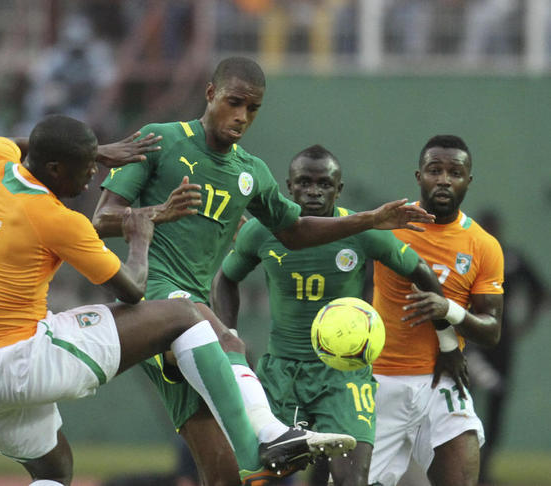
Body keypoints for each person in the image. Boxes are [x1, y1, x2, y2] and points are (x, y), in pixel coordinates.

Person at [92, 56, 436, 485]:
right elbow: (102, 220)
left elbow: (293, 230)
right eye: (234, 102)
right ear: (210, 93)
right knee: (228, 341)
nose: (242, 117)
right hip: (155, 293)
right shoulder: (159, 140)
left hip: (192, 308)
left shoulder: (250, 172)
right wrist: (159, 213)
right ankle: (274, 433)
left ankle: (261, 439)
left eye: (252, 109)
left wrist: (367, 220)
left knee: (222, 469)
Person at [0, 114, 315, 486]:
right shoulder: (55, 218)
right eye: (86, 166)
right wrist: (141, 234)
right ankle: (253, 454)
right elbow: (133, 290)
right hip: (20, 360)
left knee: (54, 470)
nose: (94, 174)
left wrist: (97, 151)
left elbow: (11, 141)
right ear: (55, 168)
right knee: (184, 316)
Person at [211, 144, 447, 486]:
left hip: (344, 376)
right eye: (304, 182)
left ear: (339, 189)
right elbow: (225, 279)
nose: (313, 190)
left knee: (351, 479)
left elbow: (420, 271)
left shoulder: (362, 232)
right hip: (282, 375)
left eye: (324, 184)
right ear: (288, 187)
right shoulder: (262, 231)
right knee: (264, 478)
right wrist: (228, 332)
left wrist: (447, 341)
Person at [368, 135, 504, 486]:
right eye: (435, 170)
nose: (444, 179)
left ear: (468, 180)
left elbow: (491, 330)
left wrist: (450, 310)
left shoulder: (484, 246)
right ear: (419, 176)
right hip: (381, 379)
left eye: (454, 172)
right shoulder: (392, 227)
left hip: (442, 380)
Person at [468, 209, 547, 484]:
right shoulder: (467, 257)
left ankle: (485, 469)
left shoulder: (510, 258)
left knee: (496, 403)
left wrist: (524, 325)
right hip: (469, 341)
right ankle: (464, 466)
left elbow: (540, 291)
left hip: (500, 341)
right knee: (462, 403)